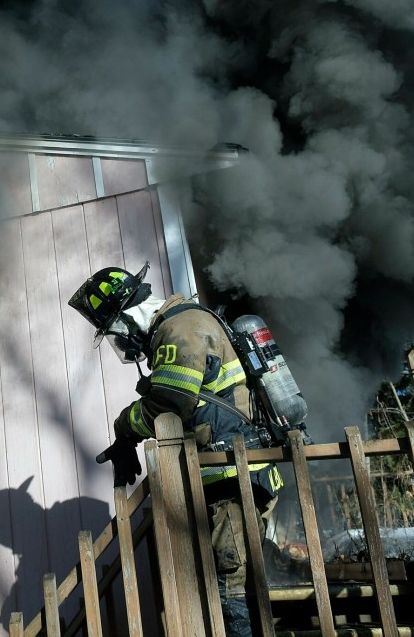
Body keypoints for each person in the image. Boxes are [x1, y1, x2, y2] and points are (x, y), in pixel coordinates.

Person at [68, 264, 283, 637]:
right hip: (232, 475)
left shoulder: (178, 330)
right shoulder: (178, 326)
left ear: (127, 314)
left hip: (230, 479)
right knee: (234, 580)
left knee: (231, 585)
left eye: (115, 331)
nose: (122, 342)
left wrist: (124, 431)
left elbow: (168, 405)